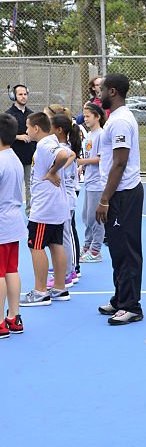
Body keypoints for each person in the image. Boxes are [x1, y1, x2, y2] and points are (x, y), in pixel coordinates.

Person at [96, 73, 144, 326]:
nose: (98, 94)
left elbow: (120, 161)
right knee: (117, 249)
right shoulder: (114, 119)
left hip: (123, 194)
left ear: (112, 92)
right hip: (118, 193)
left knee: (126, 250)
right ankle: (121, 298)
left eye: (101, 89)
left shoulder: (121, 121)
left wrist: (105, 199)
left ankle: (131, 306)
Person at [20, 112, 74, 306]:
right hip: (55, 205)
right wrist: (54, 170)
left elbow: (64, 154)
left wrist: (52, 172)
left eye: (27, 126)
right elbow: (68, 153)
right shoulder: (50, 142)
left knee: (36, 246)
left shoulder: (44, 144)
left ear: (36, 128)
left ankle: (40, 291)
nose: (26, 130)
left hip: (45, 207)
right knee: (55, 244)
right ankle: (60, 287)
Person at [49, 113, 82, 288]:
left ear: (59, 130)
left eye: (51, 126)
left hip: (66, 198)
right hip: (63, 197)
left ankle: (69, 273)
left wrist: (52, 172)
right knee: (62, 236)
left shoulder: (64, 150)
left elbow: (69, 158)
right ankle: (66, 270)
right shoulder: (62, 147)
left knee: (65, 236)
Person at [0, 113, 26, 336]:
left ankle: (0, 321)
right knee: (11, 269)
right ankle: (14, 316)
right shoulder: (14, 158)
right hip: (13, 220)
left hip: (1, 221)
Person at [77, 103, 106, 262]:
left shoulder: (101, 135)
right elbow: (89, 155)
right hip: (89, 182)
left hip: (98, 183)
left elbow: (101, 158)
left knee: (96, 218)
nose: (85, 119)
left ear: (97, 117)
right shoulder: (89, 135)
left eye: (88, 116)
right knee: (86, 217)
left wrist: (82, 161)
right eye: (85, 116)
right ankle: (87, 246)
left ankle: (95, 251)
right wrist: (82, 166)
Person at [5, 84, 36, 214]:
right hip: (15, 156)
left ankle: (30, 212)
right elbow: (4, 135)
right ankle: (12, 212)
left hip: (30, 156)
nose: (23, 97)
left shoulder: (32, 114)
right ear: (14, 96)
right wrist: (18, 136)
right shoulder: (8, 115)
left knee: (30, 185)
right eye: (20, 94)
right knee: (13, 186)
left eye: (25, 94)